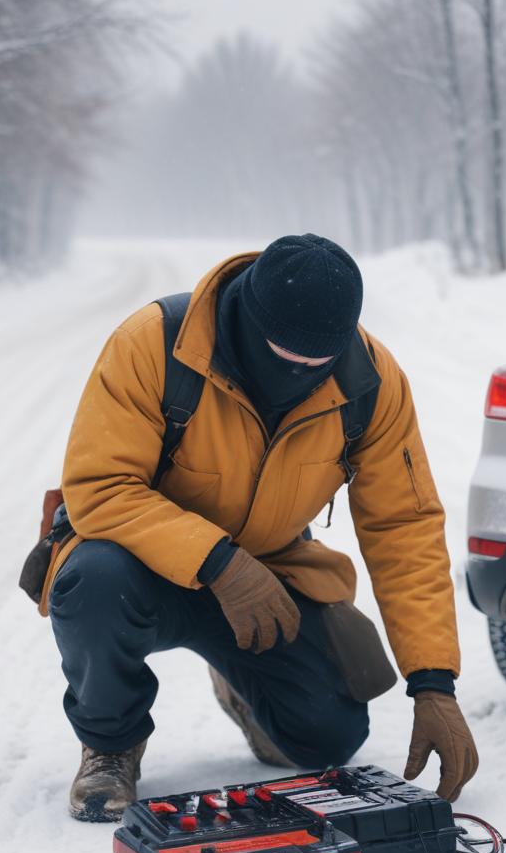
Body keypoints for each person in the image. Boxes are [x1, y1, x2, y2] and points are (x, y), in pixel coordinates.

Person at [39, 234, 478, 821]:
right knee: (92, 580)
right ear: (248, 315)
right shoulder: (153, 345)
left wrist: (433, 681)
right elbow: (99, 488)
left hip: (267, 576)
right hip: (136, 564)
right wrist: (220, 563)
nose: (298, 373)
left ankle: (240, 687)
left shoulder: (369, 383)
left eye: (316, 364)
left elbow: (404, 526)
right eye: (283, 355)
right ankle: (110, 744)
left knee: (329, 740)